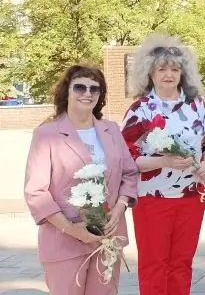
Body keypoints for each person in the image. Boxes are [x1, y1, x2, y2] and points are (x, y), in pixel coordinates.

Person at [24, 65, 139, 295]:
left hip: (107, 237)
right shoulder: (46, 134)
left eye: (95, 89)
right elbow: (36, 192)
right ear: (66, 91)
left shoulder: (111, 130)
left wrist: (119, 207)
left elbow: (130, 173)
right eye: (80, 87)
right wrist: (73, 230)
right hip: (64, 239)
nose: (88, 93)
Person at [120, 35, 205, 295]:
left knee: (182, 263)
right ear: (150, 72)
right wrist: (164, 161)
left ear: (183, 72)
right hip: (153, 199)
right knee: (154, 264)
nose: (168, 74)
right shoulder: (141, 109)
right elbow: (126, 158)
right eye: (162, 69)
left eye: (174, 68)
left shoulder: (196, 105)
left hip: (192, 196)